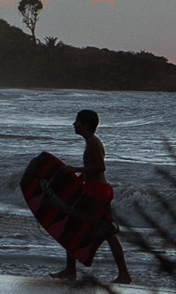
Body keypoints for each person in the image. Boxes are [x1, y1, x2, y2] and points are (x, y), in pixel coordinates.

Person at [54, 109, 132, 284]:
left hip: (97, 193)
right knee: (77, 227)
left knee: (104, 232)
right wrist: (79, 180)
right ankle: (70, 270)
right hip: (94, 189)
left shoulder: (93, 143)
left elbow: (100, 168)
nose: (74, 124)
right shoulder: (91, 141)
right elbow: (92, 168)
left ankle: (123, 274)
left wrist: (76, 170)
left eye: (78, 121)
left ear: (86, 125)